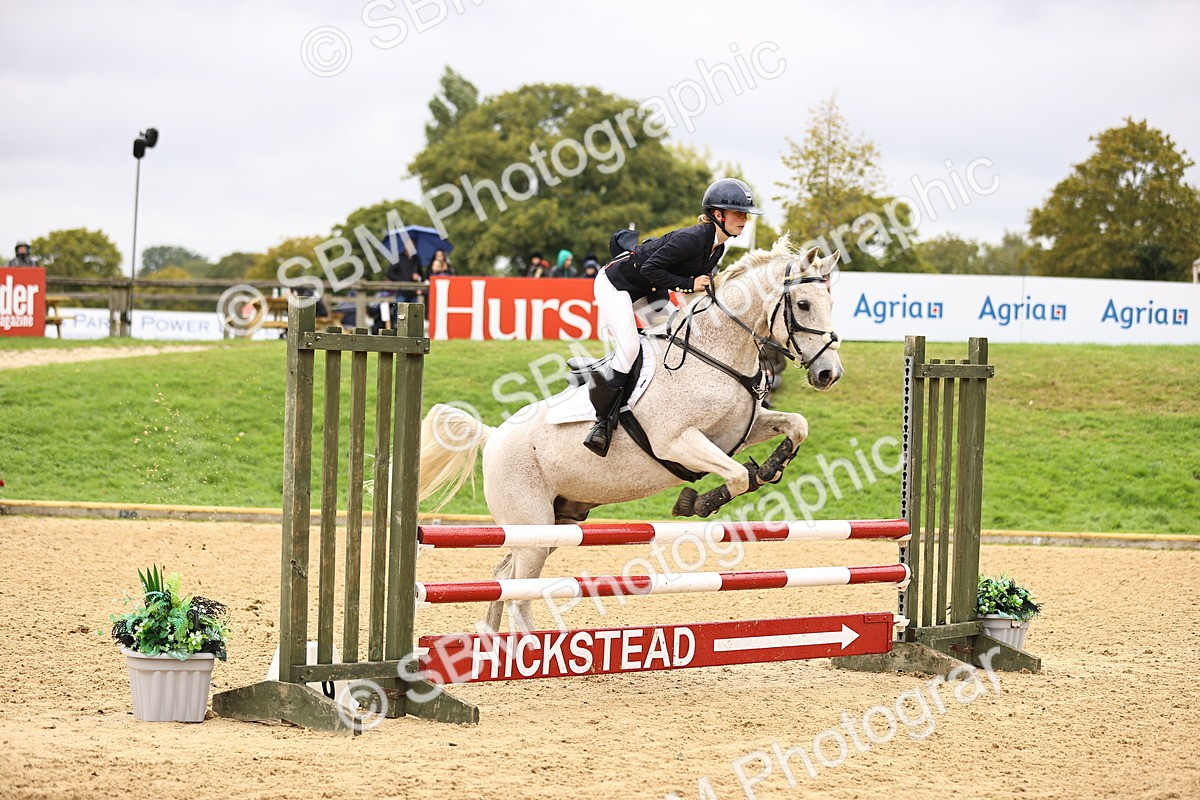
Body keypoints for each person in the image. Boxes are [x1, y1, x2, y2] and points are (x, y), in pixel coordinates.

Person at [583, 178, 762, 456]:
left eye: (745, 213)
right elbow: (651, 268)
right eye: (738, 213)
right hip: (615, 284)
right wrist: (689, 285)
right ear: (718, 214)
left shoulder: (718, 247)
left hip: (647, 289)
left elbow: (685, 281)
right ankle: (601, 423)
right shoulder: (691, 238)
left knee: (679, 334)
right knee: (629, 346)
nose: (744, 219)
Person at [387, 238, 425, 303]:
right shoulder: (398, 257)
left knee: (413, 312)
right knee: (402, 312)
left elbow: (422, 275)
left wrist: (418, 277)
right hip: (401, 291)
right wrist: (401, 280)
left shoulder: (416, 259)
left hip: (413, 292)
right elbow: (390, 273)